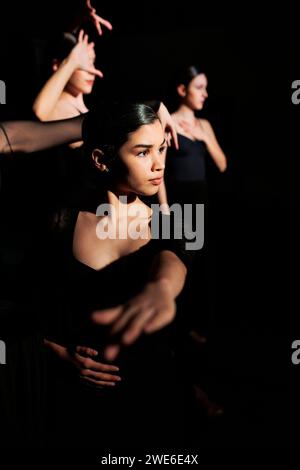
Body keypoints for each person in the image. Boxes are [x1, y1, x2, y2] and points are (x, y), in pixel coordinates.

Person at [41, 102, 194, 448]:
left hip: (152, 403)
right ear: (101, 159)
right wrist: (59, 354)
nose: (159, 164)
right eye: (143, 152)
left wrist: (161, 290)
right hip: (79, 411)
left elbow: (170, 264)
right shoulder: (63, 221)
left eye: (162, 148)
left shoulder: (167, 223)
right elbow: (29, 307)